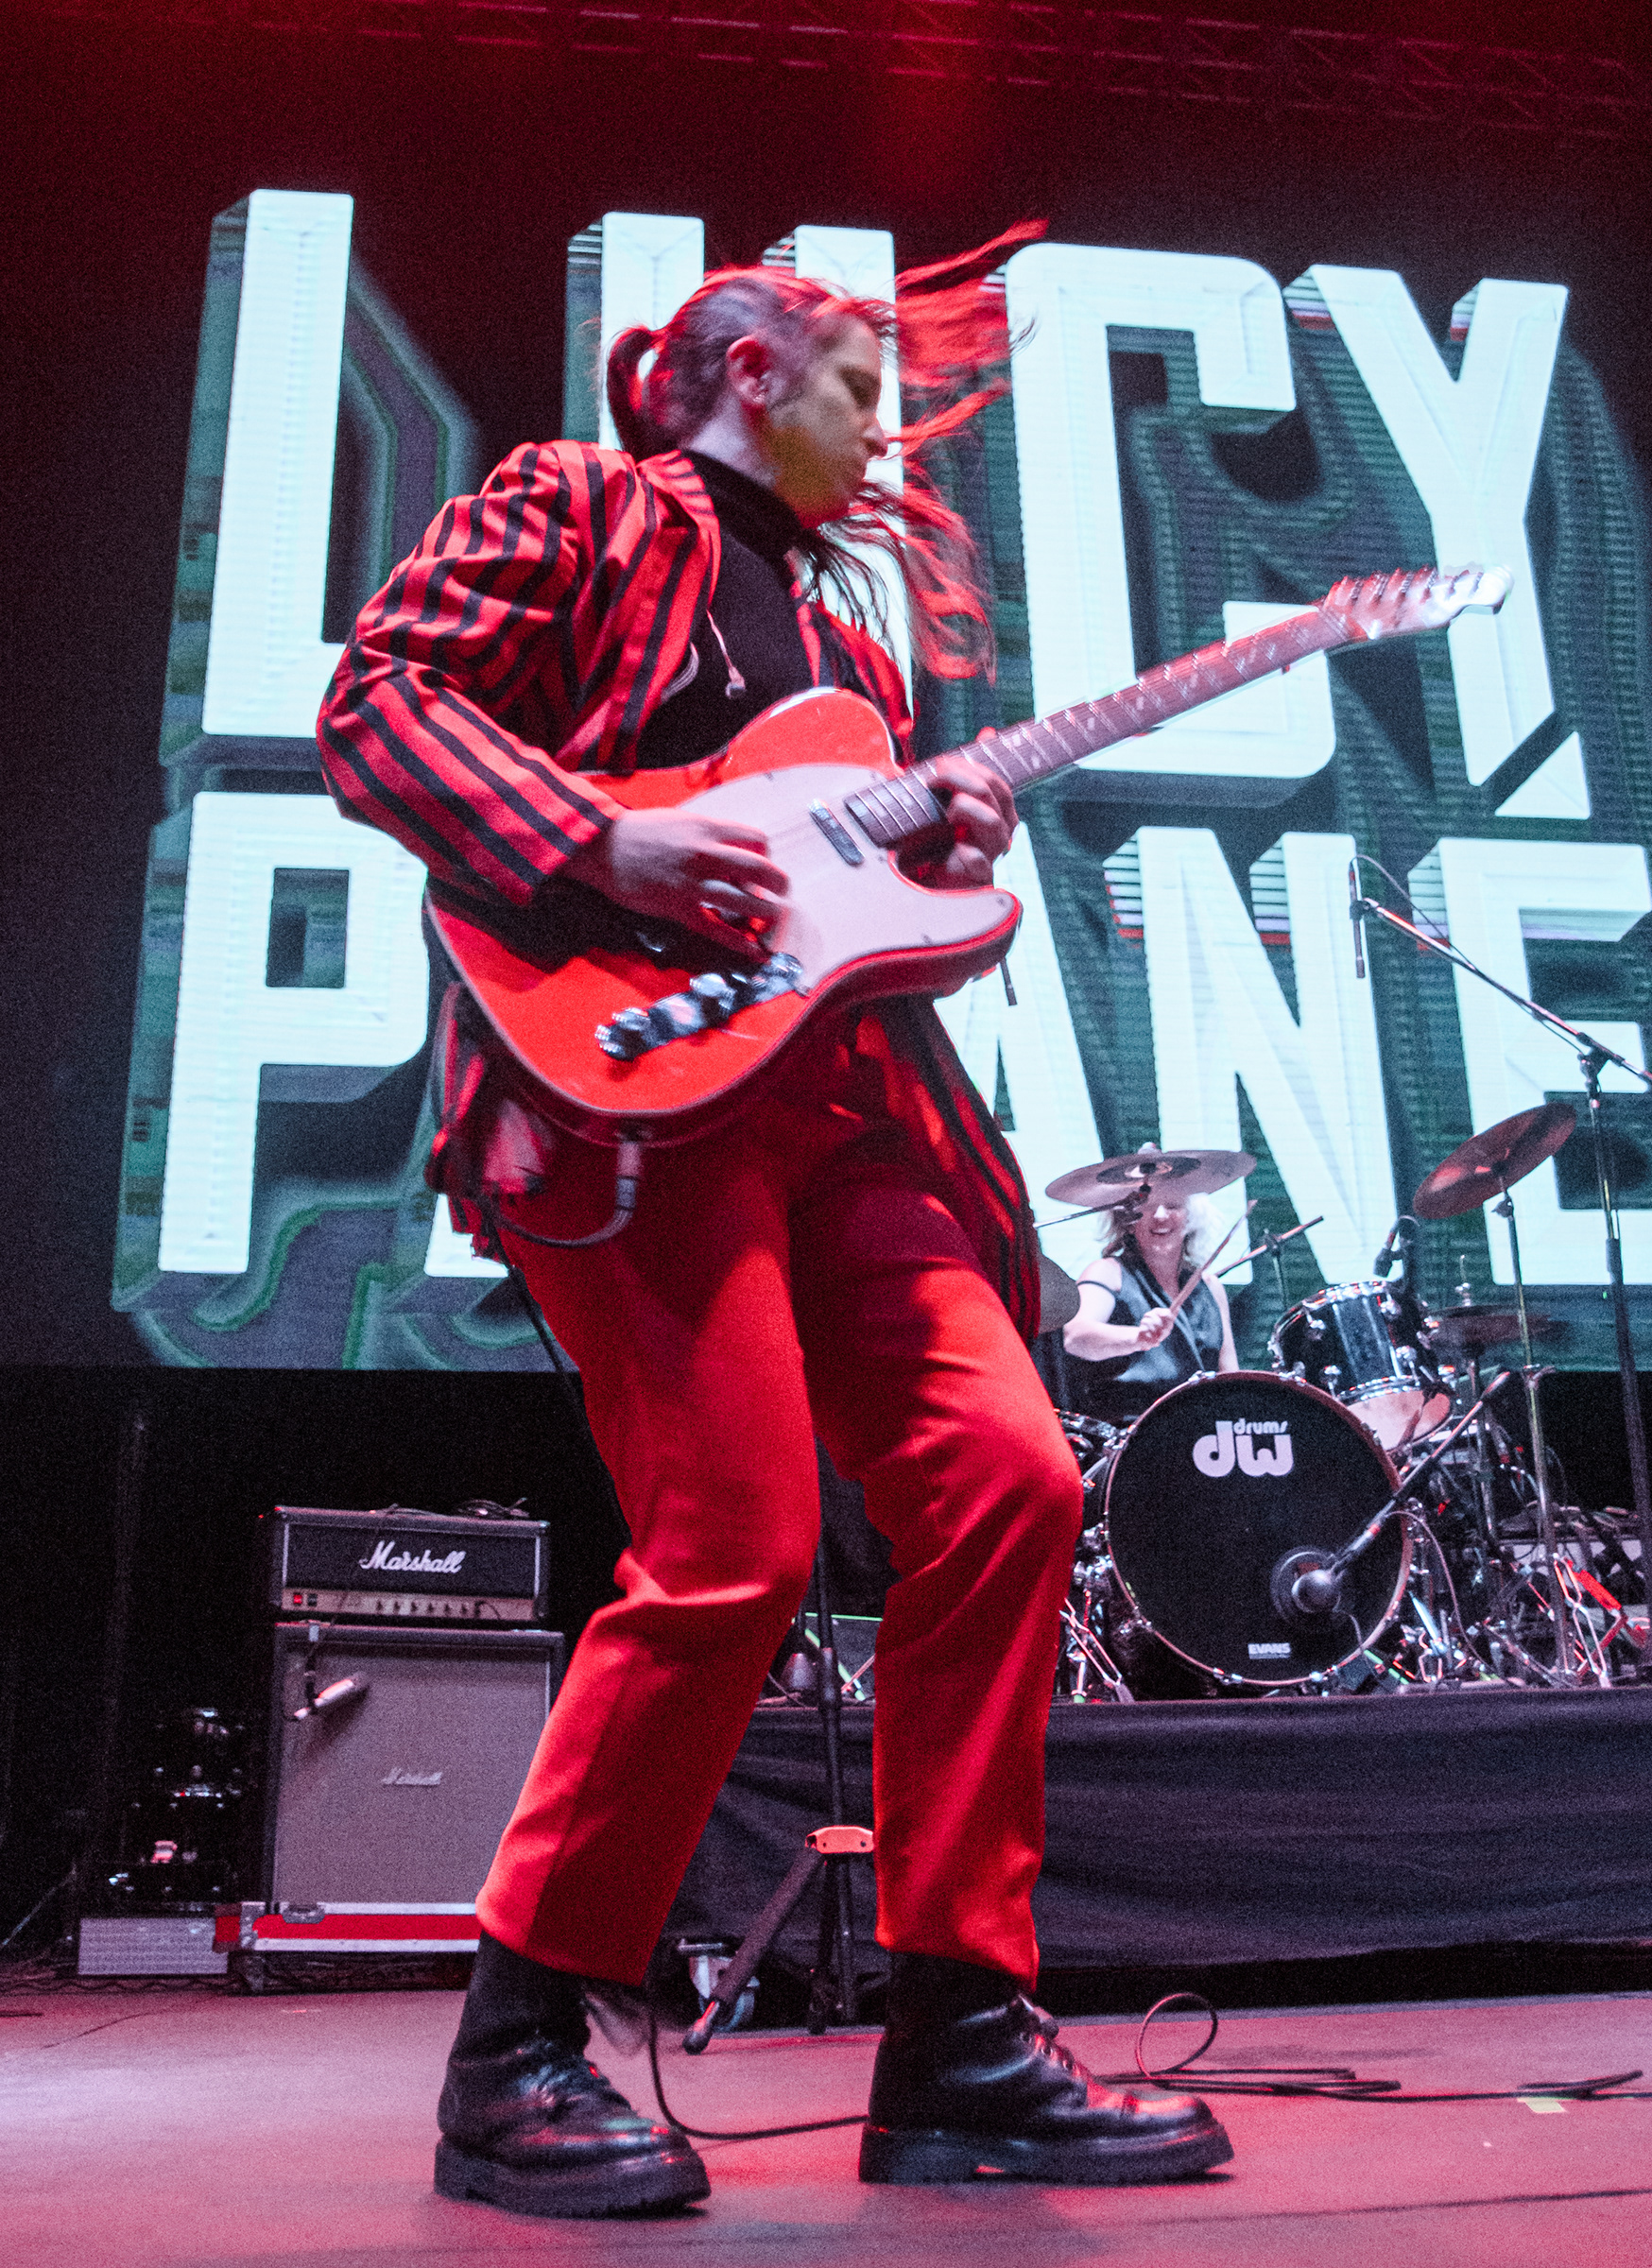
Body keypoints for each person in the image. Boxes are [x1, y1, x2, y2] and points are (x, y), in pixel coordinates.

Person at [318, 242, 1230, 2217]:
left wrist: (949, 846)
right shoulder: (576, 503)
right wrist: (600, 843)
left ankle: (963, 2040)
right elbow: (380, 699)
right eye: (859, 399)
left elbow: (862, 929)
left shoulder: (857, 651)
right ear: (744, 370)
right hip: (626, 1099)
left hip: (847, 1117)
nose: (885, 442)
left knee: (1012, 1482)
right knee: (734, 1546)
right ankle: (519, 2053)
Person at [1063, 1190, 1241, 1427]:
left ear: (1191, 1218)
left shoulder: (1210, 1286)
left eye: (1173, 1205)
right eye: (1147, 1206)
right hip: (1133, 1431)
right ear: (1128, 1222)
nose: (1159, 1215)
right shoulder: (1106, 1272)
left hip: (1204, 1433)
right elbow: (1075, 1336)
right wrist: (1138, 1337)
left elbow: (1229, 1376)